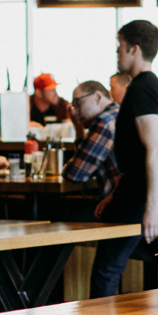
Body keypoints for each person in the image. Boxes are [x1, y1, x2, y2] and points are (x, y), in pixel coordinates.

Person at [90, 20, 158, 298]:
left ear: (134, 49)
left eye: (120, 48)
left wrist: (151, 206)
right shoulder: (155, 86)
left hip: (145, 191)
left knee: (107, 269)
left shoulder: (140, 90)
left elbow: (155, 149)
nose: (117, 54)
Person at [64, 81, 121, 219]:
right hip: (128, 199)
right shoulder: (118, 112)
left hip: (118, 204)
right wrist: (79, 130)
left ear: (97, 97)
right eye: (73, 106)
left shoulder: (104, 122)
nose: (75, 112)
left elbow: (75, 173)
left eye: (78, 104)